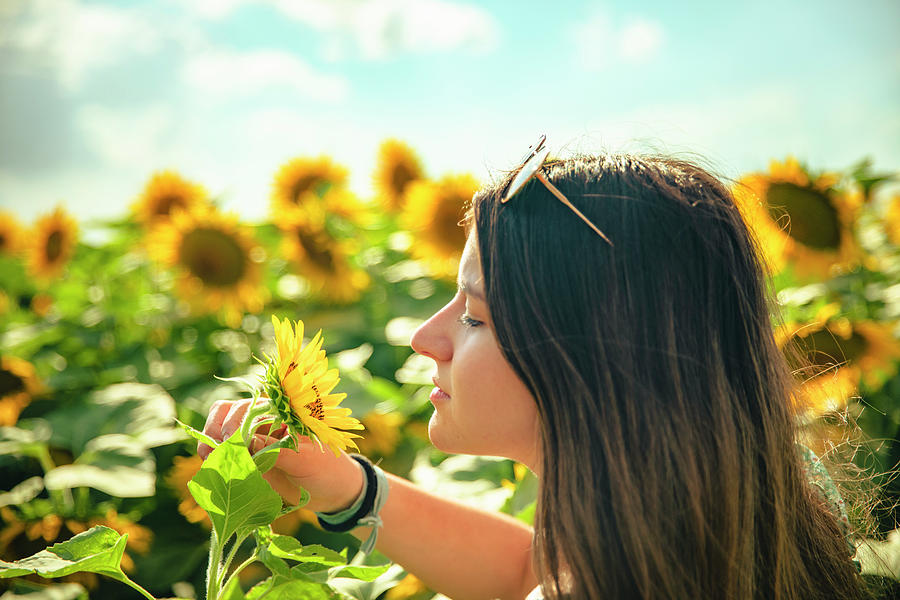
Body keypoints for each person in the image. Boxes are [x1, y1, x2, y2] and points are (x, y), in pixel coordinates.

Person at [200, 138, 869, 599]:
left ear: (594, 361)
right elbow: (532, 567)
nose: (423, 337)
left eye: (475, 315)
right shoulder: (782, 493)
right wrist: (347, 487)